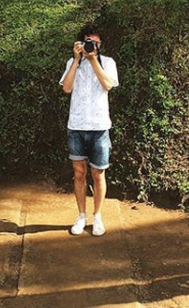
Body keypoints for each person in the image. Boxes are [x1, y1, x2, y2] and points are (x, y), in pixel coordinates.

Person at [58, 28, 119, 236]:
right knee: (79, 173)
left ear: (100, 44)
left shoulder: (108, 63)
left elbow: (108, 85)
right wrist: (77, 60)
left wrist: (93, 60)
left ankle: (98, 216)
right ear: (80, 43)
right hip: (76, 125)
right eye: (87, 42)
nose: (91, 45)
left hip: (100, 126)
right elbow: (66, 88)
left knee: (98, 173)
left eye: (94, 42)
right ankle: (81, 215)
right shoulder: (72, 62)